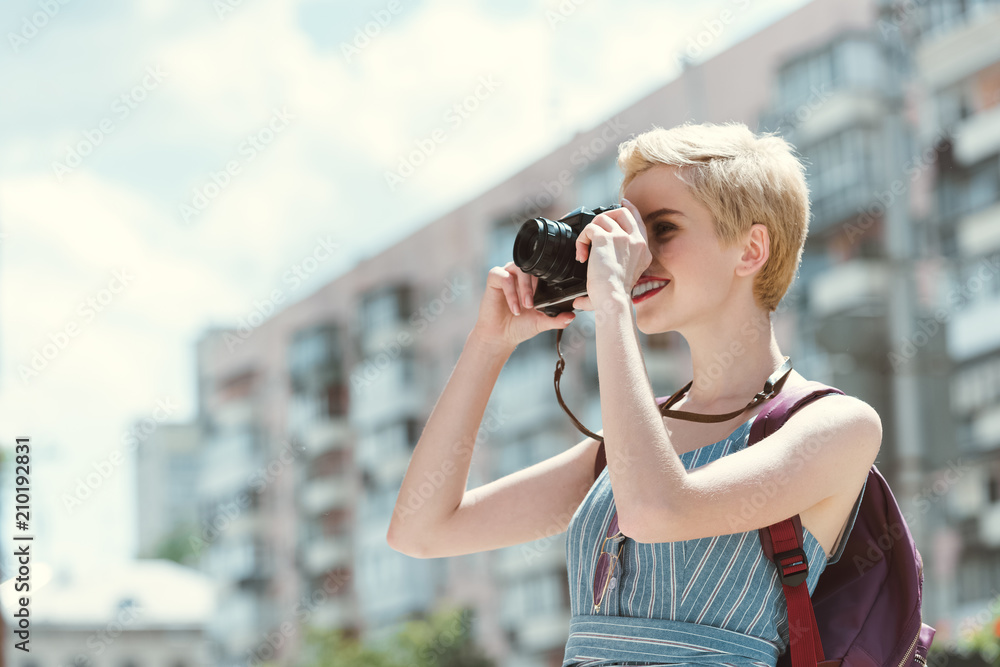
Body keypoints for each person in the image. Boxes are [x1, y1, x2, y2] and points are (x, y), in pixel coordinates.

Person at [386, 121, 881, 667]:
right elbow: (421, 529)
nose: (635, 253)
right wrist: (488, 344)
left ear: (751, 249)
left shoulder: (837, 426)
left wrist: (613, 299)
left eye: (660, 229)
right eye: (626, 231)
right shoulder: (625, 448)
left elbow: (655, 511)